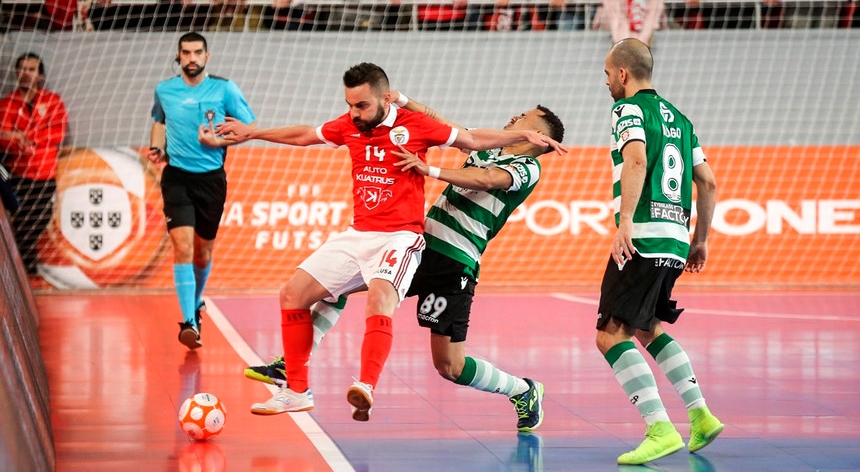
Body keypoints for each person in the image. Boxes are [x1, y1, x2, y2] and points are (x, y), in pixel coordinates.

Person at [209, 62, 565, 421]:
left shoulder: (526, 168)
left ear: (537, 133)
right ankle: (293, 366)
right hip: (420, 245)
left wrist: (431, 170)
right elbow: (443, 124)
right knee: (340, 284)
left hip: (454, 262)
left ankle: (523, 390)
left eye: (524, 116)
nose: (514, 116)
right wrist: (403, 100)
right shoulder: (488, 149)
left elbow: (486, 180)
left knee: (449, 365)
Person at [595, 38, 722, 465]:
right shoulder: (682, 120)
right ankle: (701, 416)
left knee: (610, 334)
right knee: (647, 327)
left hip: (643, 236)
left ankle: (659, 428)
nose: (608, 81)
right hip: (675, 239)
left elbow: (636, 160)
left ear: (624, 74)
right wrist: (701, 239)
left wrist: (625, 222)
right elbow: (707, 182)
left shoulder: (627, 109)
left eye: (609, 73)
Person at [147, 32, 256, 350]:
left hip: (211, 180)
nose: (191, 58)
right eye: (185, 52)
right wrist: (156, 145)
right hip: (176, 178)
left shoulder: (225, 89)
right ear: (178, 56)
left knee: (202, 251)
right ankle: (189, 322)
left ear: (207, 57)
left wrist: (219, 141)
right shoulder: (164, 90)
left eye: (197, 52)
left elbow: (247, 128)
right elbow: (158, 120)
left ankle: (195, 304)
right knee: (182, 247)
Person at [0, 53, 68, 280]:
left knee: (41, 218)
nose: (25, 73)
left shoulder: (53, 101)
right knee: (20, 219)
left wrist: (27, 137)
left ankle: (23, 266)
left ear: (40, 75)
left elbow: (57, 132)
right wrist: (16, 141)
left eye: (31, 69)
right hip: (18, 172)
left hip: (44, 171)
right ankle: (26, 269)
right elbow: (3, 136)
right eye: (22, 69)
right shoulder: (7, 103)